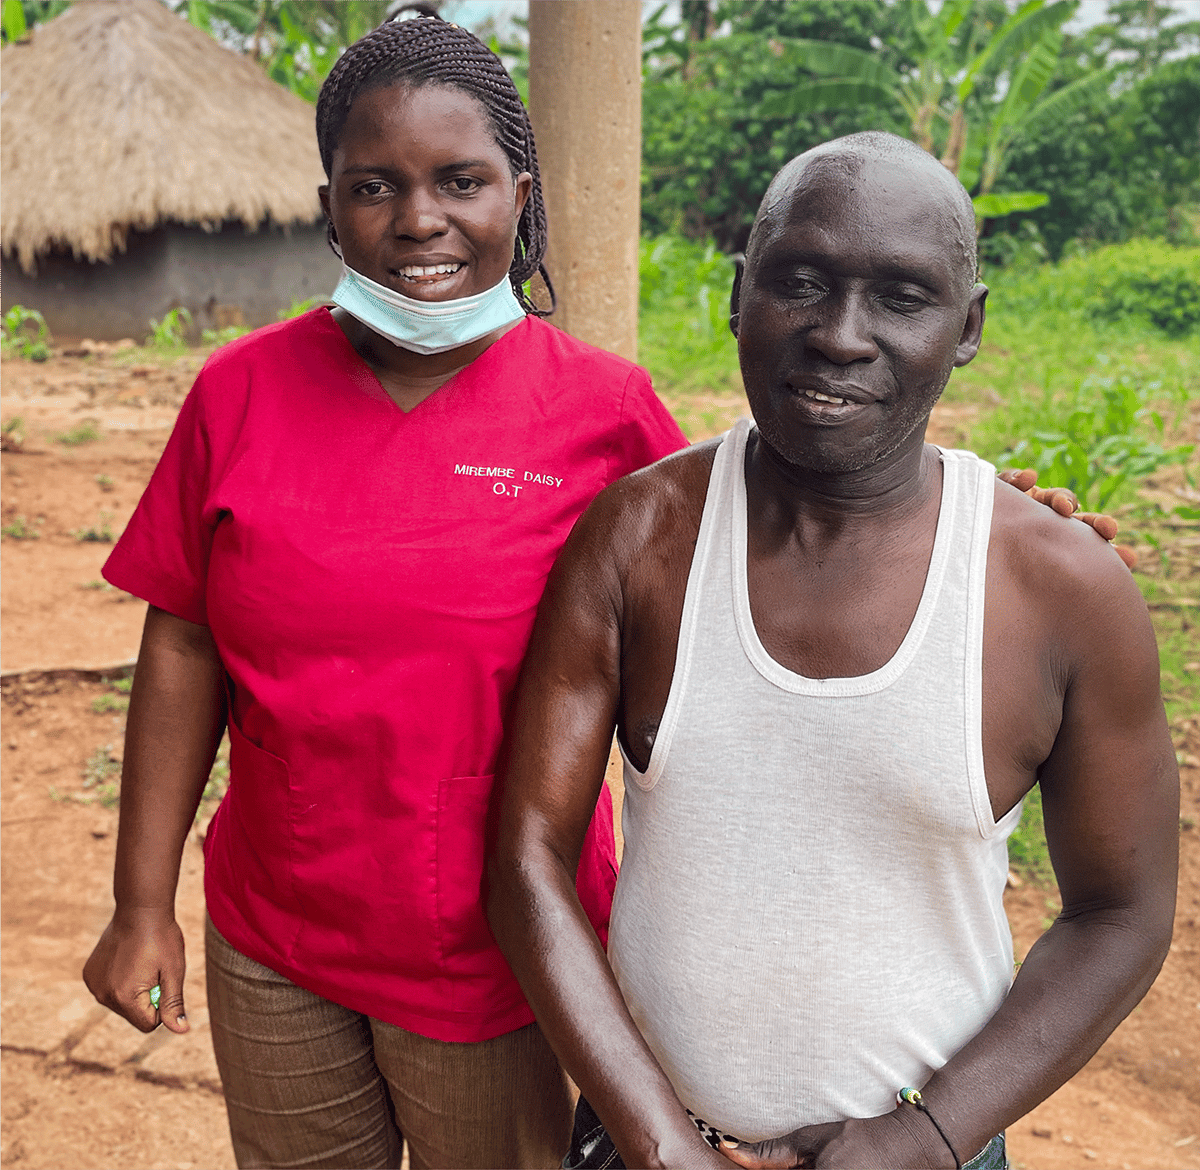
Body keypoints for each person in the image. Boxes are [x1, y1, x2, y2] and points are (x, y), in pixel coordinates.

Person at [487, 132, 1178, 1170]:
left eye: (902, 296)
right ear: (737, 295)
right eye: (800, 282)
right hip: (644, 1141)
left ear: (970, 326)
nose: (841, 336)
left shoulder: (1059, 590)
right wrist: (661, 1146)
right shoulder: (638, 541)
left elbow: (1123, 913)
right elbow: (527, 857)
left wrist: (926, 1135)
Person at [81, 14, 688, 1170]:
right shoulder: (238, 394)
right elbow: (184, 646)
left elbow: (750, 584)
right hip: (277, 937)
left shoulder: (606, 416)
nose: (419, 220)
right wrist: (141, 902)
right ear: (328, 212)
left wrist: (960, 513)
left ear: (520, 193)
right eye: (376, 185)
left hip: (501, 950)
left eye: (459, 180)